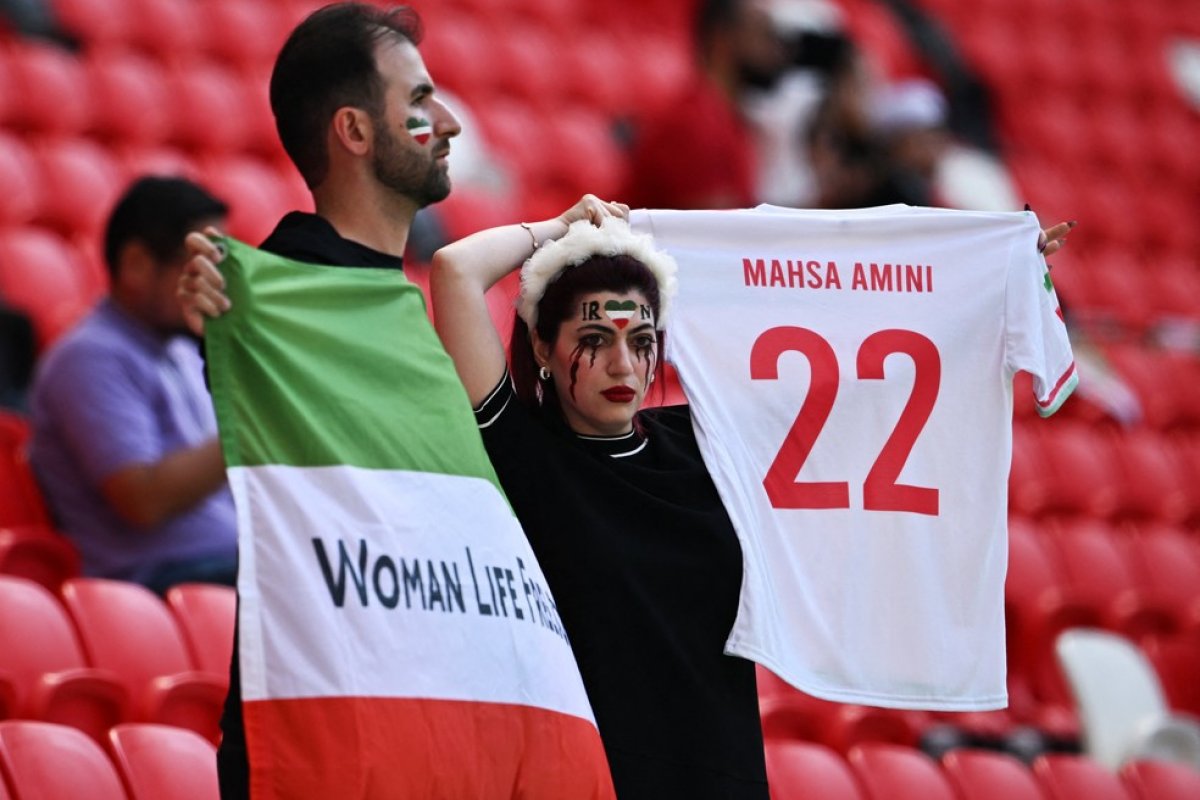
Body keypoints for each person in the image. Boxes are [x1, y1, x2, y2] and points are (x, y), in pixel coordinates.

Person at [176, 4, 461, 797]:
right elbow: (229, 327)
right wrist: (220, 306)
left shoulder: (401, 302)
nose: (447, 122)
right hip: (318, 734)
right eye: (419, 100)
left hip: (408, 703)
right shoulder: (274, 295)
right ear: (355, 131)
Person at [620, 0, 790, 210]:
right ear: (722, 38)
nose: (776, 51)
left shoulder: (723, 118)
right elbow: (716, 224)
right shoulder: (696, 125)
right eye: (762, 34)